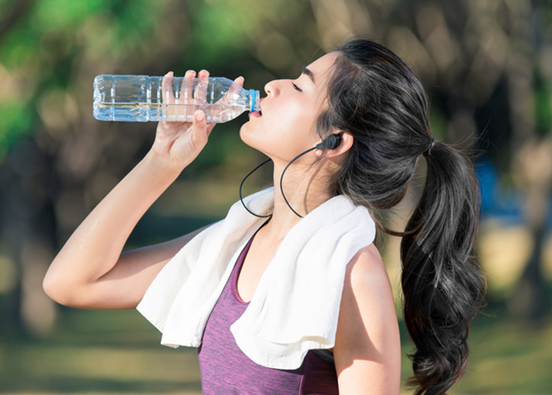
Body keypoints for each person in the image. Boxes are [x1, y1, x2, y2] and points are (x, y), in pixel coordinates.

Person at [43, 38, 486, 395]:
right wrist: (162, 161)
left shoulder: (352, 271)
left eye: (298, 86)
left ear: (335, 140)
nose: (272, 85)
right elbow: (71, 282)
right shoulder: (233, 244)